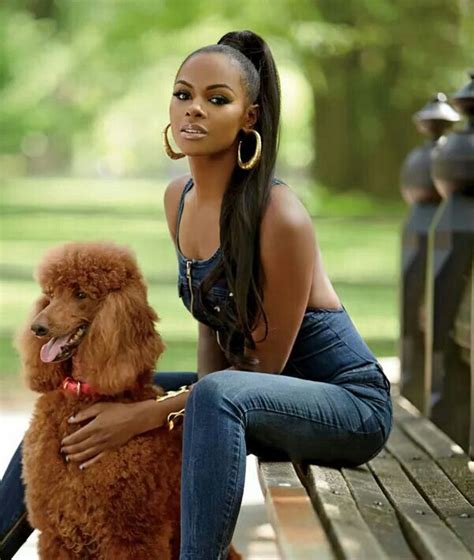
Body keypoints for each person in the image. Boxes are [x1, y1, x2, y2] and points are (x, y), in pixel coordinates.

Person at [0, 29, 393, 560]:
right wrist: (145, 404)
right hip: (237, 396)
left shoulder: (281, 216)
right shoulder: (178, 199)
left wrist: (146, 415)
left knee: (203, 397)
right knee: (80, 392)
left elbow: (258, 377)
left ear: (248, 117)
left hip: (342, 407)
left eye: (217, 99)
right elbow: (212, 336)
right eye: (183, 94)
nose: (194, 110)